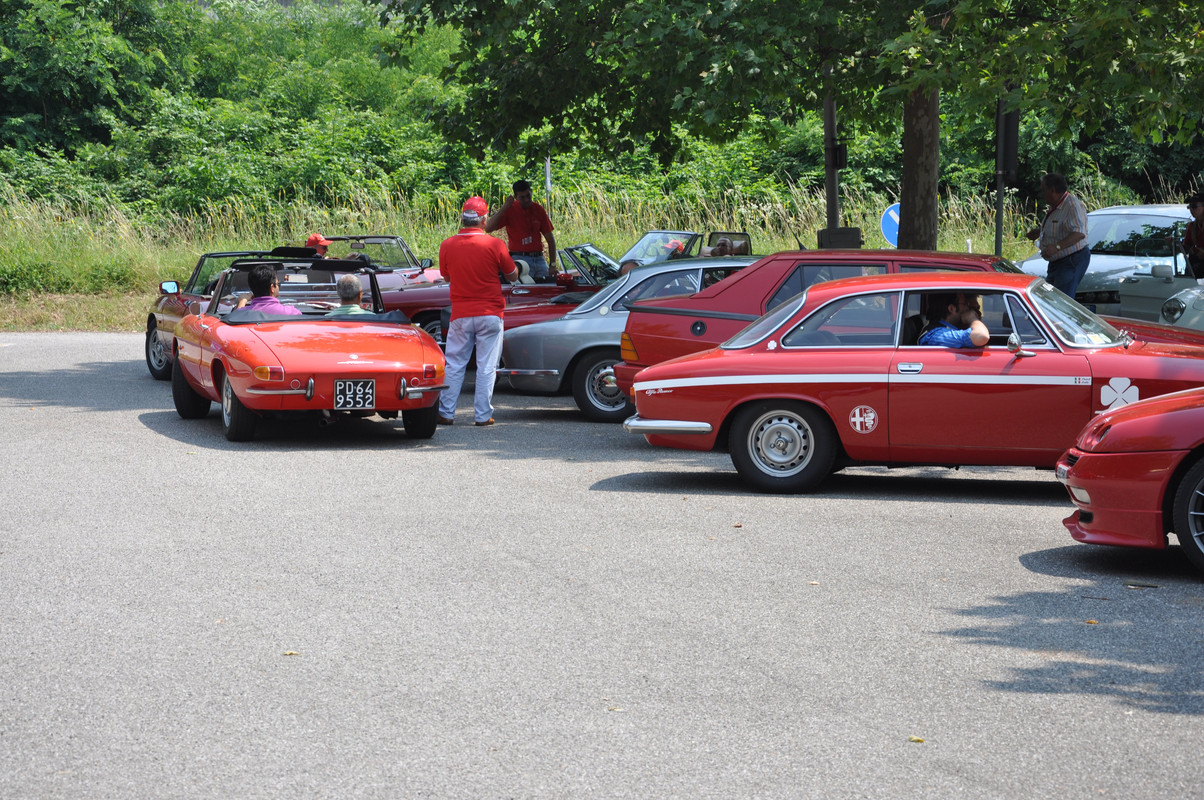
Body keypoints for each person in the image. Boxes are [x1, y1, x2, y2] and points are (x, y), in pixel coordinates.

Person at [438, 196, 519, 426]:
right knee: (486, 366)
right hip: (490, 312)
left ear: (463, 219)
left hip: (461, 313)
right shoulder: (495, 245)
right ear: (484, 220)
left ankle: (446, 412)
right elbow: (512, 274)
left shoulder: (447, 245)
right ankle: (482, 416)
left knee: (454, 363)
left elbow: (447, 276)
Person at [1025, 173, 1090, 298]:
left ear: (1052, 190)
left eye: (1043, 190)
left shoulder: (1071, 206)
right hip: (1058, 261)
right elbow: (1062, 227)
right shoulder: (1057, 205)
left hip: (1071, 260)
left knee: (1061, 301)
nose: (1042, 194)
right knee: (1052, 300)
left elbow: (1079, 233)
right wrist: (1040, 232)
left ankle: (1062, 318)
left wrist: (1056, 247)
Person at [485, 180, 557, 281]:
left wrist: (553, 264)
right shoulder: (510, 209)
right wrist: (504, 207)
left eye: (528, 195)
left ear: (531, 192)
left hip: (539, 258)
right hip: (519, 258)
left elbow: (550, 239)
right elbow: (488, 228)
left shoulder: (538, 209)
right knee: (524, 292)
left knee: (547, 287)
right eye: (522, 197)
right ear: (515, 197)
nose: (527, 200)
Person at [918, 292, 989, 348]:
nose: (968, 308)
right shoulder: (937, 334)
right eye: (965, 304)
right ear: (951, 308)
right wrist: (972, 319)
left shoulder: (946, 328)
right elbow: (982, 336)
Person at [235, 264, 302, 315]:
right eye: (278, 284)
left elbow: (236, 317)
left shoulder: (244, 313)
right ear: (272, 288)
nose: (278, 287)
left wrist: (242, 301)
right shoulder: (291, 312)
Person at [1183, 193, 1204, 275]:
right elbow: (1185, 247)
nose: (1191, 209)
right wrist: (1173, 244)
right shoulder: (1192, 226)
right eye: (1189, 207)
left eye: (1194, 206)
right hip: (1194, 271)